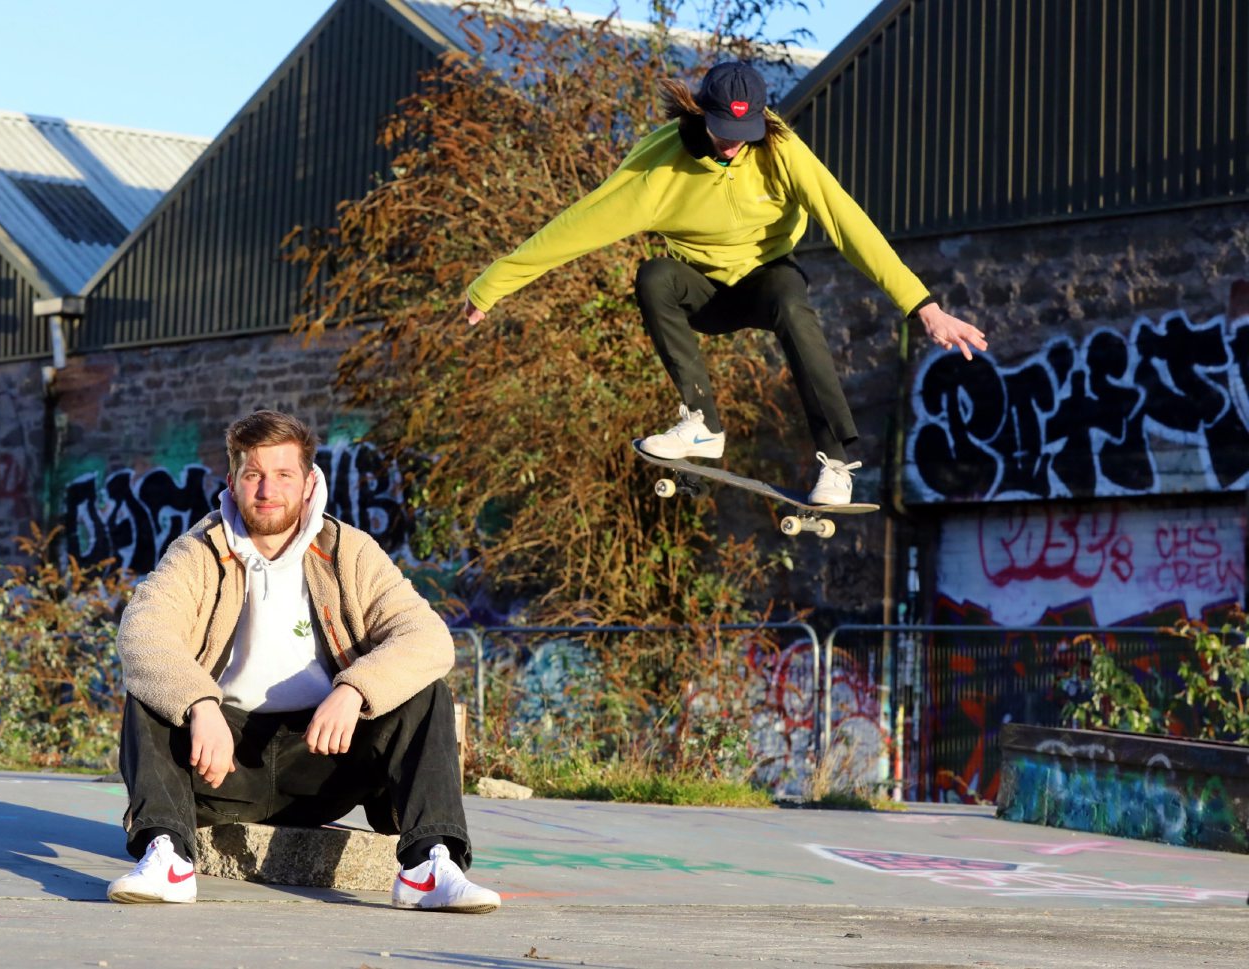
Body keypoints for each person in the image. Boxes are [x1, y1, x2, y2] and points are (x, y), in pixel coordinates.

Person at [463, 61, 987, 504]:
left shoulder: (781, 148)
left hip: (765, 279)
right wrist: (493, 285)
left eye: (746, 136)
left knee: (790, 297)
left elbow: (847, 222)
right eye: (724, 134)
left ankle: (838, 462)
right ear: (700, 115)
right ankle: (701, 421)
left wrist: (923, 306)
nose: (735, 146)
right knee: (655, 276)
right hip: (702, 291)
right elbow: (575, 227)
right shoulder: (658, 169)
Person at [107, 409, 499, 913]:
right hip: (223, 762)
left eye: (283, 475)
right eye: (254, 475)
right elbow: (143, 632)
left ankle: (429, 864)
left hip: (326, 756)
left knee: (426, 695)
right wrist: (200, 705)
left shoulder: (348, 551)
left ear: (310, 482)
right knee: (149, 696)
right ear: (233, 482)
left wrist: (355, 690)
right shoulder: (198, 552)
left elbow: (428, 638)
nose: (268, 490)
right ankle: (168, 858)